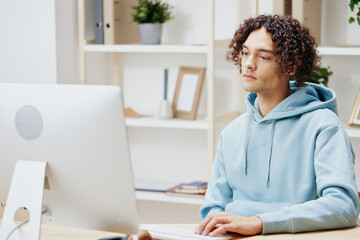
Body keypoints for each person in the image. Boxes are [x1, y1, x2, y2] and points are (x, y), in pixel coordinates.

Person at [195, 14, 360, 237]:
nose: (248, 64)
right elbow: (212, 209)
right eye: (245, 53)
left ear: (290, 65)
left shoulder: (323, 126)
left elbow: (343, 206)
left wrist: (260, 223)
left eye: (263, 57)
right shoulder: (231, 133)